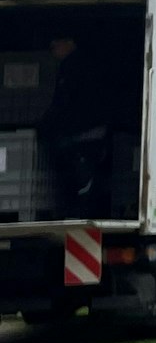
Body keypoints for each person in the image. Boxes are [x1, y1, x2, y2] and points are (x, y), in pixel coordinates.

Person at [38, 35, 111, 220]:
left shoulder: (73, 66)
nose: (53, 50)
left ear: (69, 43)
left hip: (83, 136)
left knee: (80, 181)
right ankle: (80, 214)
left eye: (56, 44)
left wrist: (46, 126)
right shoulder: (87, 64)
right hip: (91, 134)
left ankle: (78, 215)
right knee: (83, 180)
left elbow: (63, 103)